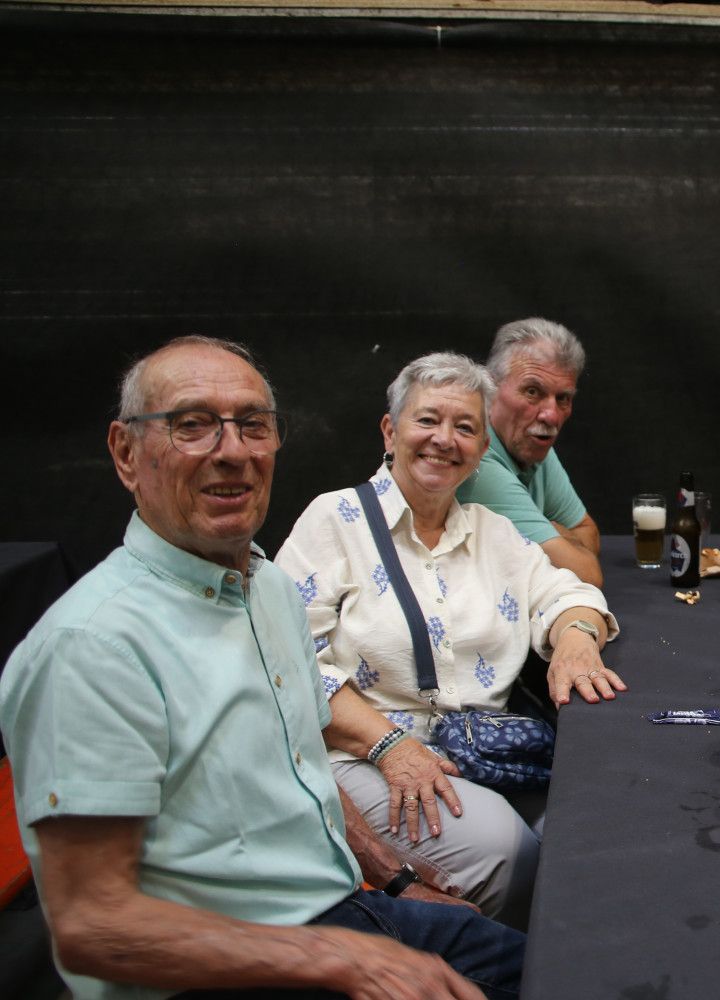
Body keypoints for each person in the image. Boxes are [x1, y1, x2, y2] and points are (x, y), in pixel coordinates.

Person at [0, 336, 523, 1000]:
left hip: (341, 914)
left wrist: (396, 880)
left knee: (564, 966)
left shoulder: (267, 588)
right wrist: (344, 960)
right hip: (219, 972)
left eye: (253, 425)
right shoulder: (90, 647)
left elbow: (301, 770)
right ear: (126, 453)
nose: (233, 451)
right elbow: (93, 928)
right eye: (192, 425)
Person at [275, 352, 624, 929]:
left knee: (593, 832)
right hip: (362, 756)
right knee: (510, 854)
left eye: (465, 427)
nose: (444, 439)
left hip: (477, 751)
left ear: (482, 448)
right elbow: (287, 663)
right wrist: (391, 747)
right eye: (427, 420)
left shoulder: (492, 532)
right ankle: (489, 967)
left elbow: (569, 591)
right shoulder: (334, 520)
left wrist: (576, 639)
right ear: (389, 431)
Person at [455, 317, 603, 587]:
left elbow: (589, 533)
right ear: (490, 388)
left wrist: (554, 536)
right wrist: (558, 533)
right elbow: (587, 574)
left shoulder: (530, 442)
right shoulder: (477, 462)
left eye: (563, 398)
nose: (551, 415)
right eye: (532, 391)